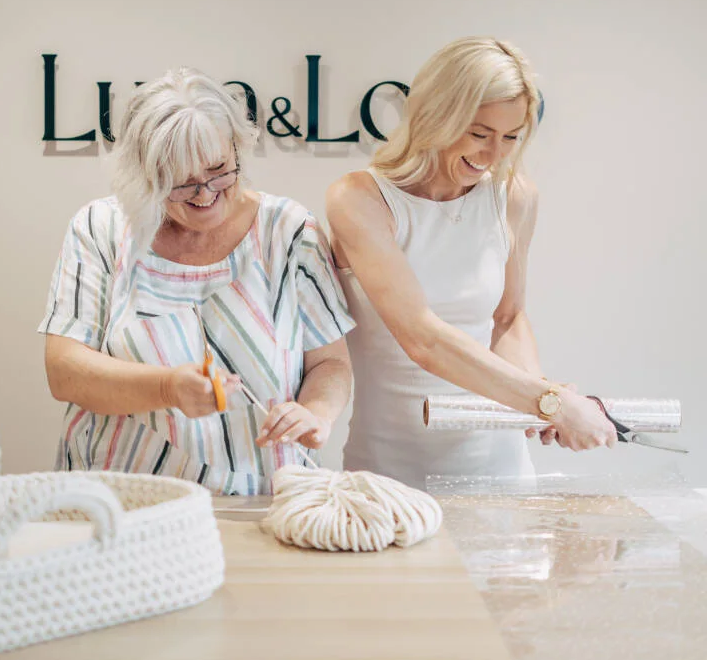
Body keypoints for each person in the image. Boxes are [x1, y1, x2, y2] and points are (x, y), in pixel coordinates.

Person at [40, 69, 353, 496]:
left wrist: (316, 413)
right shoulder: (100, 228)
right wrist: (166, 388)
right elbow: (64, 373)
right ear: (143, 173)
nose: (204, 194)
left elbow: (330, 364)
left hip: (262, 500)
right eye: (180, 181)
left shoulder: (289, 231)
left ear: (237, 147)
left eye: (219, 170)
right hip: (120, 498)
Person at [326, 36, 616, 491]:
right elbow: (422, 338)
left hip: (499, 467)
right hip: (388, 471)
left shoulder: (514, 197)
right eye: (479, 134)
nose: (495, 154)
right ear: (435, 115)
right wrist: (550, 401)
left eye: (511, 137)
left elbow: (507, 317)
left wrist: (538, 394)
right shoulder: (360, 199)